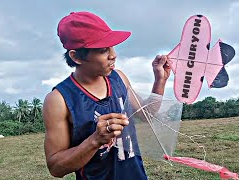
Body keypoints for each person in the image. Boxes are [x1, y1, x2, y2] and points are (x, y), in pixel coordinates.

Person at [42, 11, 171, 180]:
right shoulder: (59, 99)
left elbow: (146, 115)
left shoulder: (119, 78)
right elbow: (56, 168)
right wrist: (95, 140)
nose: (113, 54)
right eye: (103, 50)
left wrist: (159, 80)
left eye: (112, 46)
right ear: (76, 56)